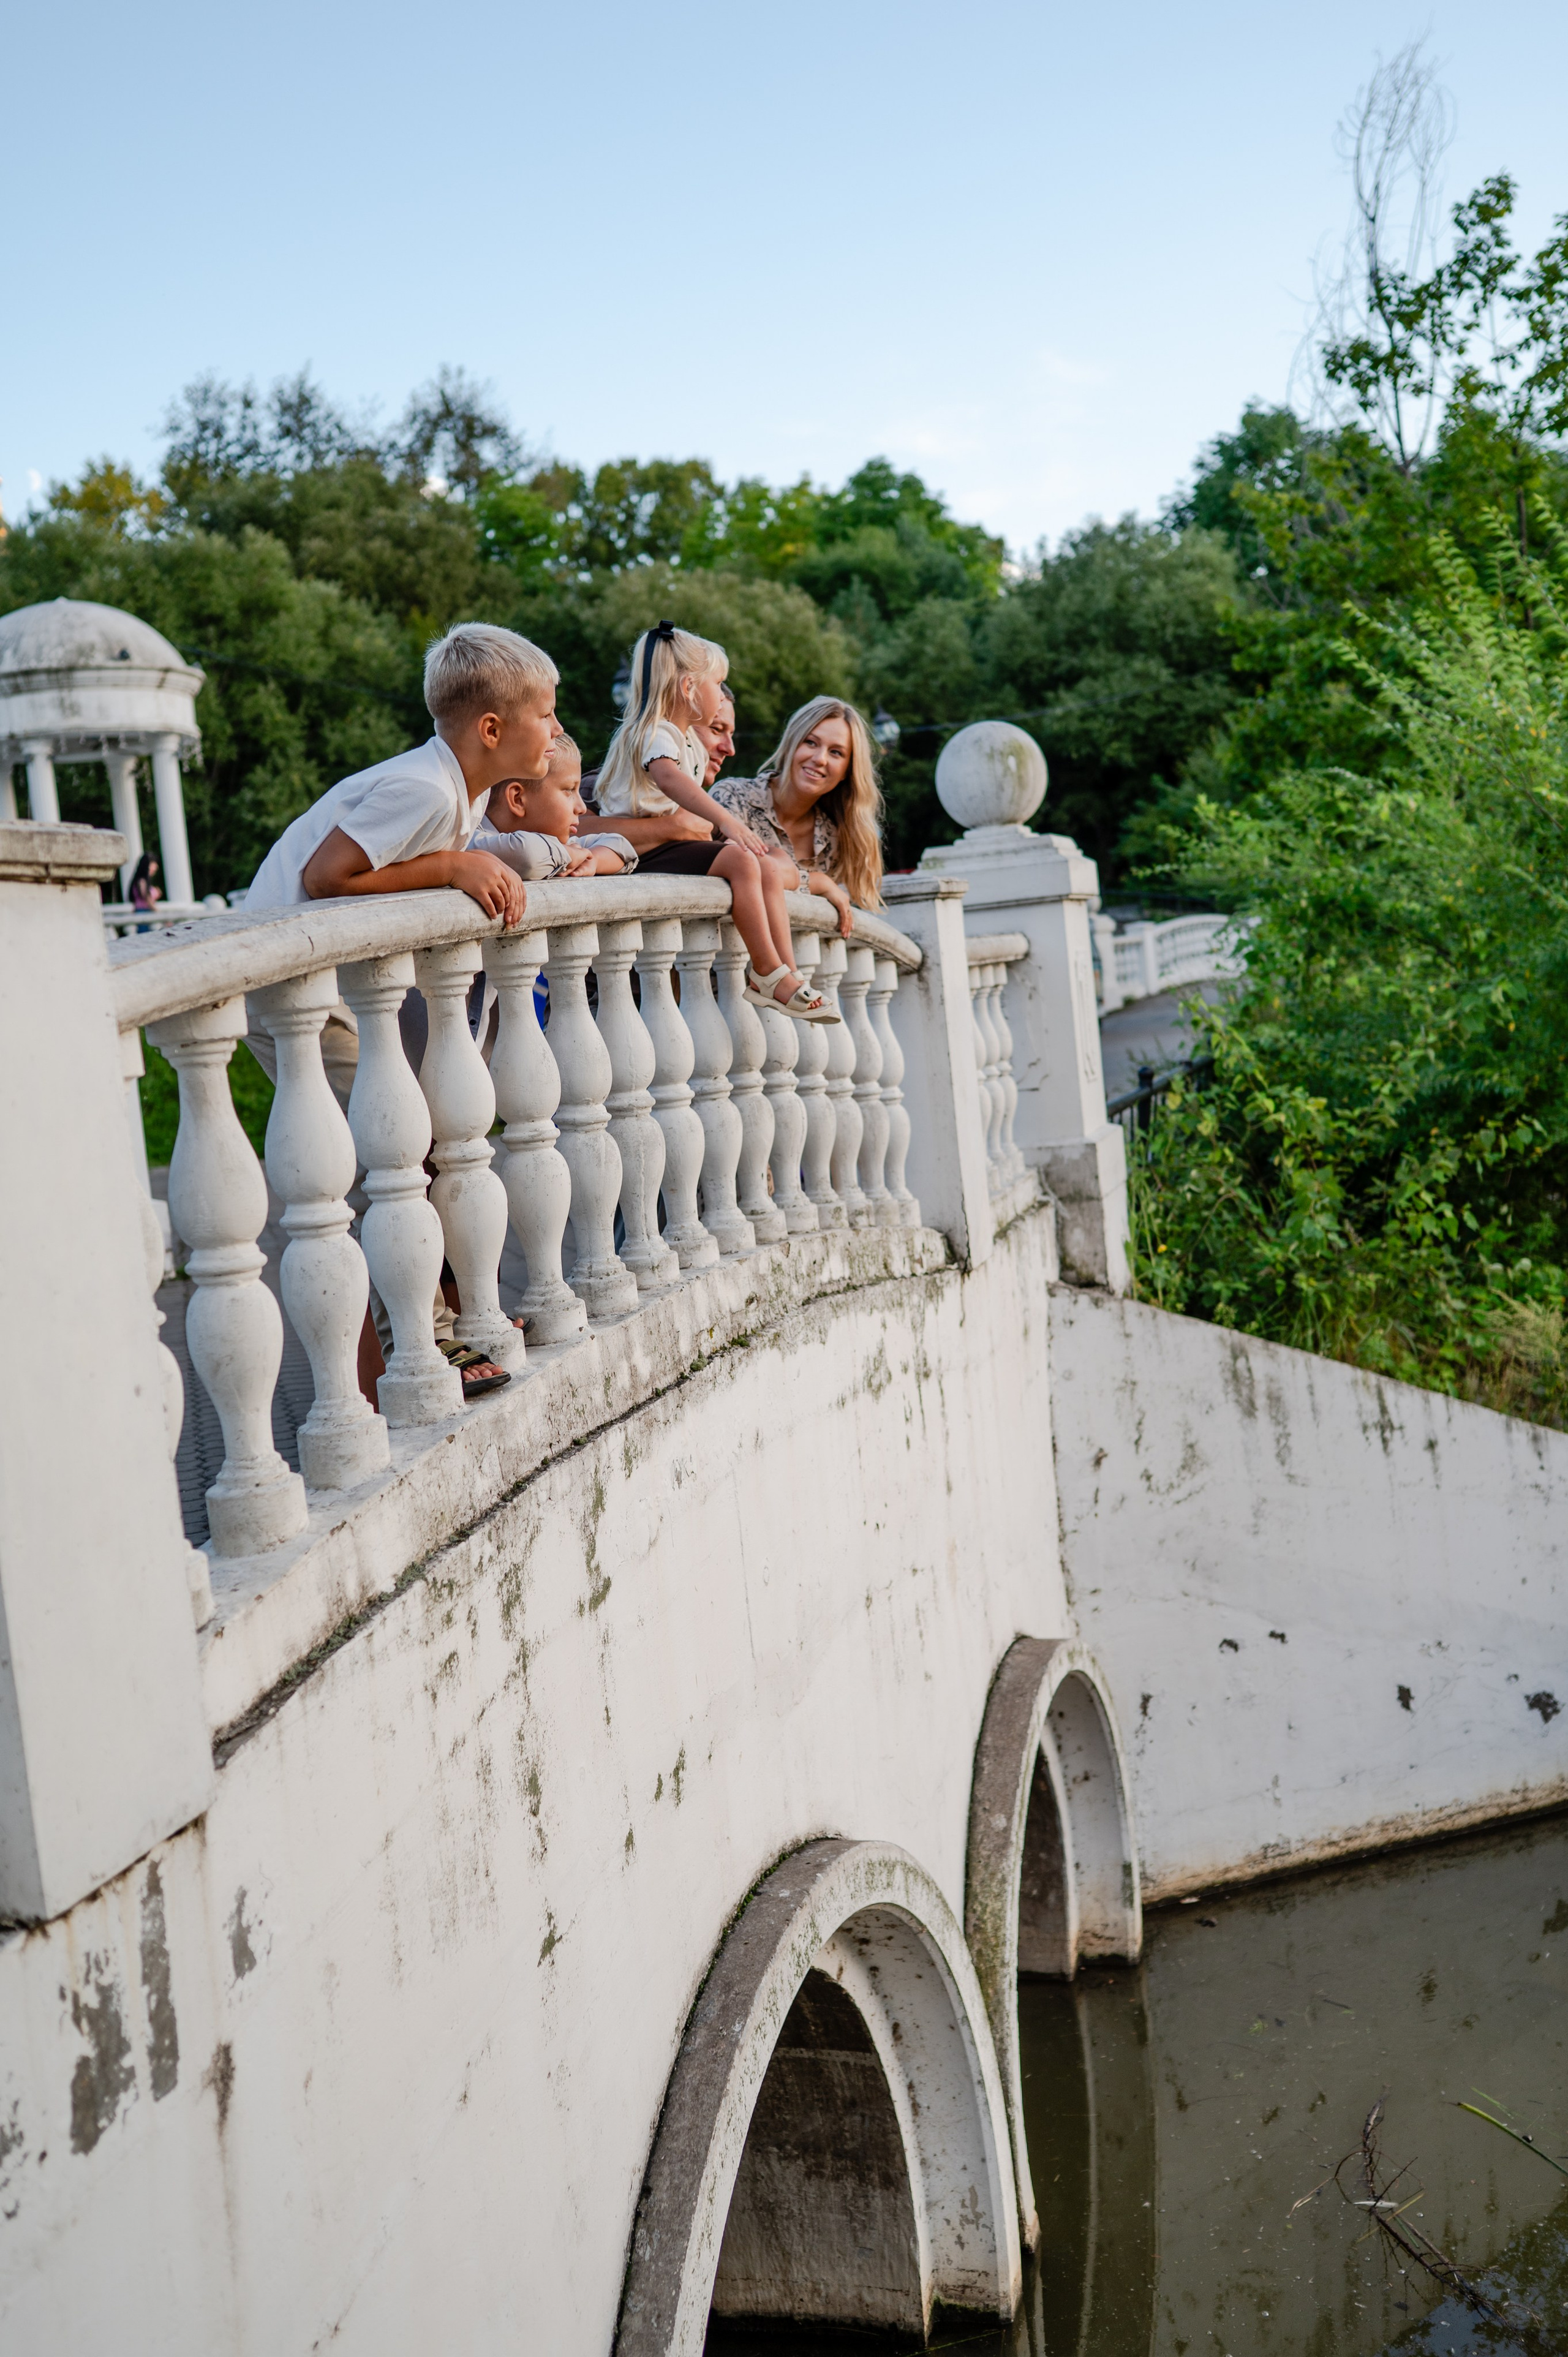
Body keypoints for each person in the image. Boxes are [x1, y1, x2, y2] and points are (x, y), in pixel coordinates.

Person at [243, 620, 564, 1401]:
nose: (555, 730)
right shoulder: (424, 789)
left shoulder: (456, 788)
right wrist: (454, 864)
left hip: (335, 998)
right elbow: (327, 877)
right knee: (397, 1161)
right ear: (493, 730)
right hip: (302, 1005)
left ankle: (430, 1332)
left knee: (411, 1157)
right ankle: (418, 1343)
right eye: (546, 715)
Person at [593, 622, 834, 1020]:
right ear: (690, 688)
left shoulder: (684, 740)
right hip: (633, 856)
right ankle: (768, 973)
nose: (721, 694)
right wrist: (729, 822)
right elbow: (670, 779)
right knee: (741, 860)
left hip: (662, 852)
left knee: (766, 864)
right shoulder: (655, 732)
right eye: (718, 683)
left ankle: (786, 973)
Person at [710, 697, 884, 940]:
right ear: (792, 743)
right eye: (811, 743)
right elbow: (722, 874)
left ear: (848, 770)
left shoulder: (834, 838)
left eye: (836, 752)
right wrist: (817, 882)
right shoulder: (733, 799)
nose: (820, 759)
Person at [473, 733, 638, 878]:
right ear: (518, 799)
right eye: (569, 790)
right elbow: (527, 856)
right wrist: (569, 856)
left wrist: (592, 860)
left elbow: (621, 846)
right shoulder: (470, 839)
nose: (581, 808)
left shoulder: (554, 844)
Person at [128, 850, 164, 932]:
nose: (156, 867)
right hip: (143, 913)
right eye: (154, 864)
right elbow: (147, 899)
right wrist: (158, 911)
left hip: (141, 912)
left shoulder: (140, 881)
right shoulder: (142, 881)